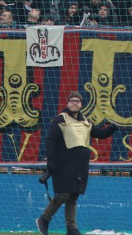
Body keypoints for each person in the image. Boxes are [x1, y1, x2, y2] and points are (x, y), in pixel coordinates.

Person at [37, 91, 118, 235]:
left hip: (80, 165)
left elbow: (100, 134)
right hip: (63, 164)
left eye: (77, 101)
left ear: (81, 104)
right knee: (64, 194)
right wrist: (51, 163)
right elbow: (51, 142)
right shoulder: (60, 119)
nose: (75, 103)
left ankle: (71, 228)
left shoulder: (85, 122)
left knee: (74, 195)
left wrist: (112, 128)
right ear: (67, 103)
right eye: (72, 100)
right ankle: (44, 219)